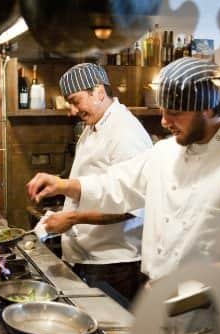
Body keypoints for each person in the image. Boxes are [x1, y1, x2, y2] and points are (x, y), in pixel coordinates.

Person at [28, 57, 220, 297]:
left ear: (207, 108)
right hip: (159, 300)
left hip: (218, 306)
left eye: (174, 112)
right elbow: (118, 184)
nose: (164, 121)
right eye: (163, 111)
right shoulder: (165, 153)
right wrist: (63, 185)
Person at [42, 63, 153, 302]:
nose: (72, 111)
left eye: (75, 101)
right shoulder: (94, 126)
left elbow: (134, 208)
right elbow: (95, 185)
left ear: (99, 91)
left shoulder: (125, 132)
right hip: (88, 258)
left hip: (114, 263)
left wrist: (73, 218)